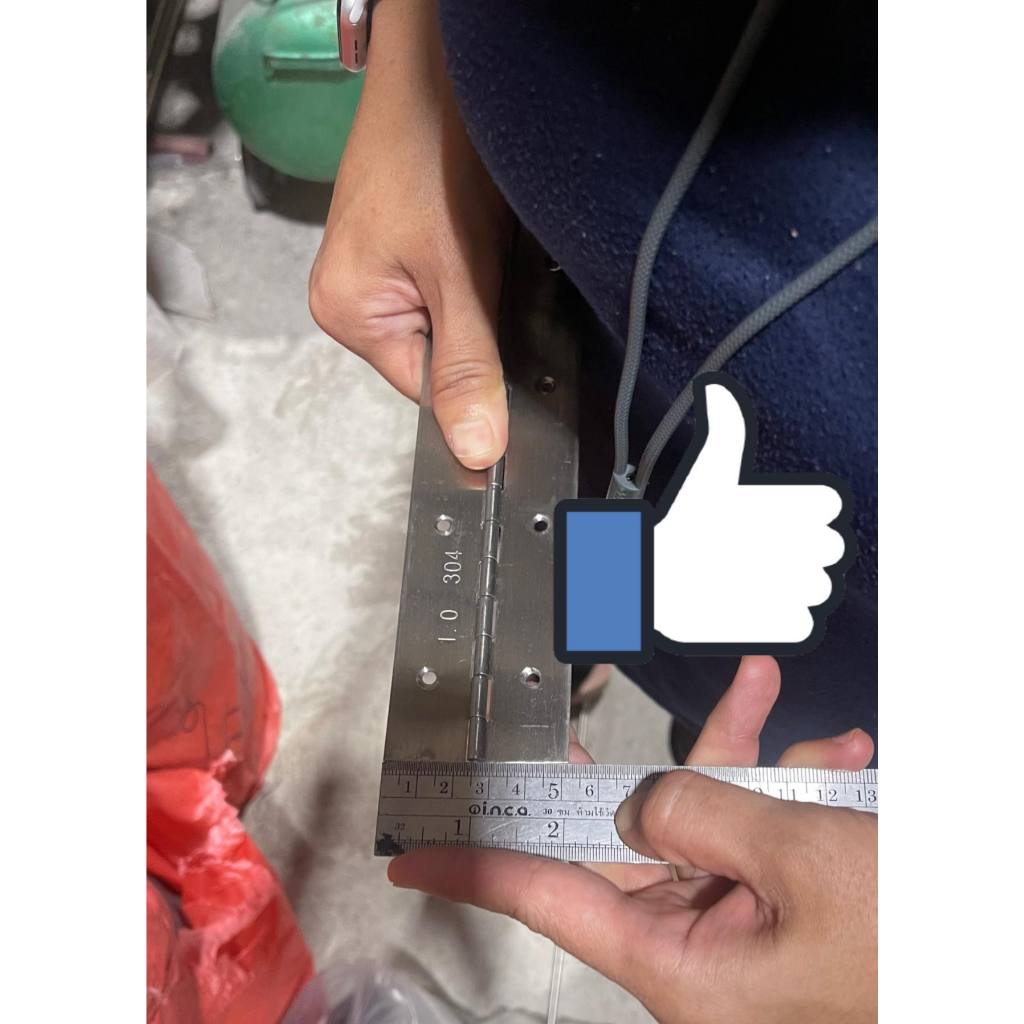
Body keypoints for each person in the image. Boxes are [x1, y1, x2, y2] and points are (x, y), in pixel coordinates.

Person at [309, 2, 877, 1018]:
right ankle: (594, 653)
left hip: (844, 657)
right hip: (606, 374)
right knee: (627, 613)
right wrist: (417, 68)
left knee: (750, 733)